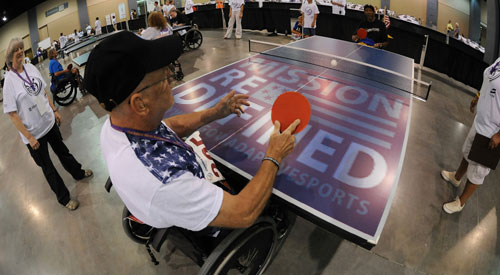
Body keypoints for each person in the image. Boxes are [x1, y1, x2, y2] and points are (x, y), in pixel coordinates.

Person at [83, 31, 299, 231]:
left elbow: (169, 127)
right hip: (201, 218)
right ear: (140, 104)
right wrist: (274, 154)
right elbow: (243, 213)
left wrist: (214, 113)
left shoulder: (118, 124)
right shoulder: (164, 182)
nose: (170, 74)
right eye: (162, 76)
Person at [3, 38, 92, 211]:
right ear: (10, 56)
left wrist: (54, 110)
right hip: (34, 135)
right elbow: (12, 114)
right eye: (16, 50)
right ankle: (64, 198)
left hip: (48, 123)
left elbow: (43, 91)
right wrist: (29, 137)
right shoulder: (9, 82)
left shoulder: (30, 67)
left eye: (22, 48)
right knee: (48, 167)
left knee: (63, 152)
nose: (20, 51)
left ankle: (78, 172)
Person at [440, 57, 500, 214]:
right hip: (481, 120)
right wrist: (478, 98)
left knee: (477, 171)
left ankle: (461, 202)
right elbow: (488, 81)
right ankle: (456, 177)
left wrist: (499, 135)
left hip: (492, 131)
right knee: (467, 152)